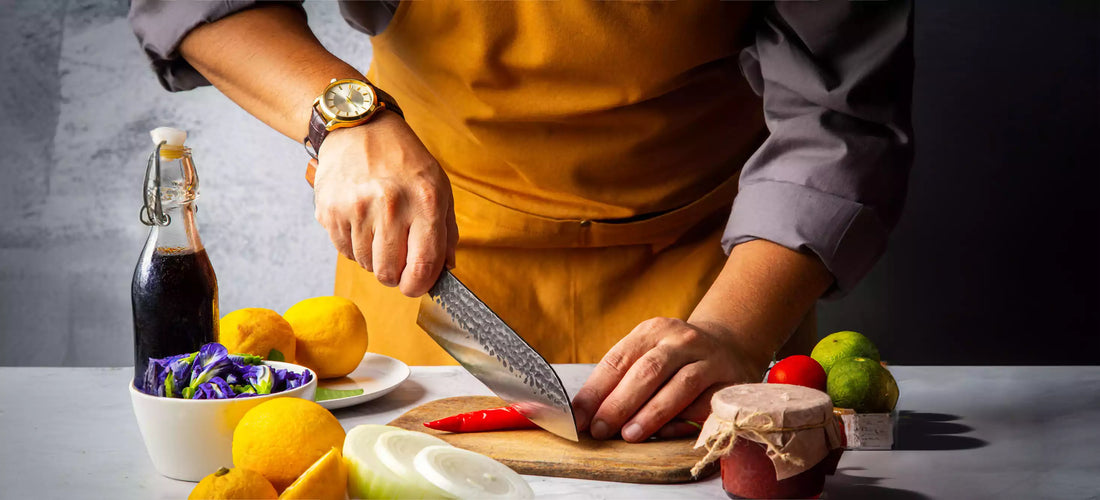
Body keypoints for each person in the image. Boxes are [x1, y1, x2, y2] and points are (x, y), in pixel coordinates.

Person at [130, 0, 912, 443]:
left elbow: (841, 115)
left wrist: (739, 330)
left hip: (715, 275)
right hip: (431, 261)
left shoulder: (732, 313)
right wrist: (345, 117)